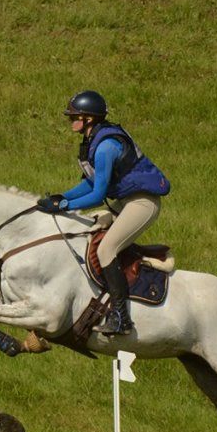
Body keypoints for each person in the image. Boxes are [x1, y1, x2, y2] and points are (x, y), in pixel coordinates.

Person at [37, 90, 170, 335]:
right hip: (126, 201)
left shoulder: (106, 147)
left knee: (106, 248)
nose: (70, 121)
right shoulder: (94, 140)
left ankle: (122, 318)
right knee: (88, 229)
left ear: (89, 119)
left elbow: (98, 195)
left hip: (142, 203)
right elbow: (91, 182)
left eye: (74, 117)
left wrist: (65, 207)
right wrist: (62, 197)